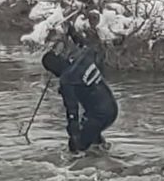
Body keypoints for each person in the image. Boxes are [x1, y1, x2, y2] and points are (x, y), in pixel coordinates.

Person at [42, 24, 118, 152]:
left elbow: (72, 111)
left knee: (78, 148)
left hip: (98, 115)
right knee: (93, 138)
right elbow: (85, 44)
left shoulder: (67, 80)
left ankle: (83, 167)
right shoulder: (84, 57)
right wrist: (72, 32)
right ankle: (104, 156)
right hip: (112, 109)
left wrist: (74, 135)